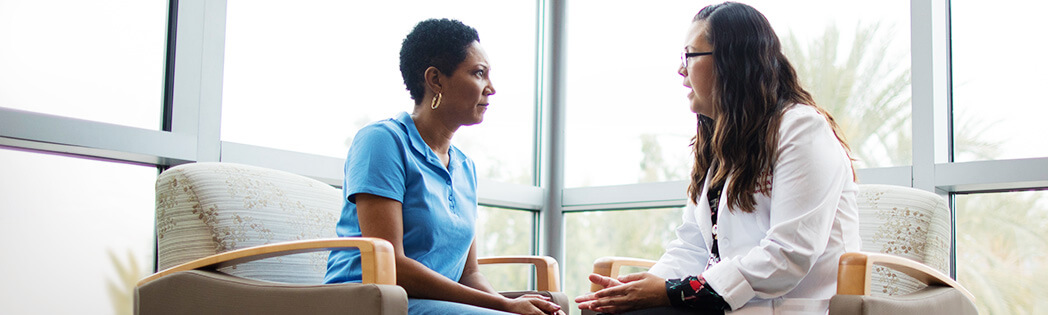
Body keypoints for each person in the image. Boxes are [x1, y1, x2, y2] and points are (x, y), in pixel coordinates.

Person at [574, 2, 860, 314]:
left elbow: (788, 255)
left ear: (731, 62)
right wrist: (638, 290)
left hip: (788, 306)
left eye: (689, 55)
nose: (681, 70)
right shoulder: (720, 145)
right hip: (730, 303)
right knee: (606, 309)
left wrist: (672, 292)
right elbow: (692, 246)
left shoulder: (801, 129)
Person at [324, 18, 563, 315]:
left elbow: (469, 274)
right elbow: (391, 265)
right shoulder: (382, 142)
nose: (491, 88)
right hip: (375, 301)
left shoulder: (465, 167)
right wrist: (503, 304)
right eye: (479, 74)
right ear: (436, 80)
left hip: (438, 305)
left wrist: (511, 307)